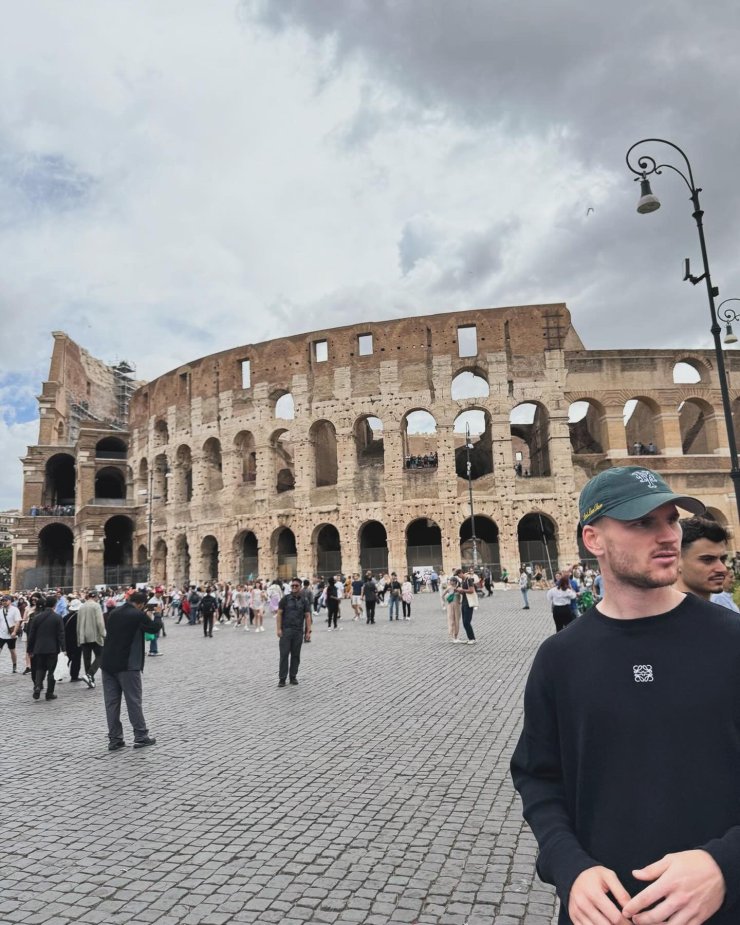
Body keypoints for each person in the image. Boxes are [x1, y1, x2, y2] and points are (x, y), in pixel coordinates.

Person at [510, 465, 740, 925]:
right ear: (593, 540)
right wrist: (570, 867)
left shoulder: (732, 640)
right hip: (605, 913)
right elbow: (539, 778)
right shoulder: (560, 658)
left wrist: (726, 866)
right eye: (641, 523)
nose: (667, 536)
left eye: (671, 519)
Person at [101, 590, 162, 751]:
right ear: (141, 604)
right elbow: (154, 629)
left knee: (111, 703)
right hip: (128, 664)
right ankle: (141, 736)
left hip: (107, 664)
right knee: (133, 701)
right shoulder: (137, 615)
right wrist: (157, 614)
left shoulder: (114, 613)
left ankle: (115, 739)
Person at [676, 515, 730, 601]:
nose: (722, 569)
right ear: (677, 560)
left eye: (723, 559)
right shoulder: (653, 611)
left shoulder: (723, 612)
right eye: (708, 560)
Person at [26, 595, 65, 701]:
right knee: (52, 671)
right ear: (55, 605)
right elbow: (61, 635)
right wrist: (64, 649)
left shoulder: (37, 617)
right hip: (52, 648)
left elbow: (32, 635)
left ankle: (37, 686)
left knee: (40, 668)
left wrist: (29, 649)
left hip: (39, 648)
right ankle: (49, 693)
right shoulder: (57, 617)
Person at [276, 578, 312, 686]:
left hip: (298, 631)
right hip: (286, 630)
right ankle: (282, 678)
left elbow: (307, 616)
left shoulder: (304, 600)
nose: (294, 587)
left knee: (296, 655)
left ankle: (293, 677)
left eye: (296, 586)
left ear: (300, 587)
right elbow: (279, 614)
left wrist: (308, 631)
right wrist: (278, 629)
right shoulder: (285, 599)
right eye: (293, 586)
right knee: (284, 655)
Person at [77, 591, 106, 688]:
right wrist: (104, 634)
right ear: (96, 597)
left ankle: (90, 679)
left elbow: (78, 623)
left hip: (83, 636)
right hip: (94, 635)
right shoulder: (96, 606)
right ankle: (90, 674)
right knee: (101, 655)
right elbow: (100, 622)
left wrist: (78, 637)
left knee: (86, 658)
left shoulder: (81, 607)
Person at [0, 594, 22, 673]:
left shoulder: (15, 610)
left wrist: (14, 632)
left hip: (11, 635)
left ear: (10, 601)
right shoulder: (0, 610)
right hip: (1, 635)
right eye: (2, 601)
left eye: (5, 600)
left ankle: (14, 665)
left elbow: (17, 622)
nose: (4, 602)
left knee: (12, 651)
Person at [459, 571, 477, 644]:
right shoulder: (463, 581)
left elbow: (471, 590)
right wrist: (460, 591)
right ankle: (470, 638)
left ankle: (472, 639)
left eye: (458, 575)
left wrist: (462, 590)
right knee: (464, 622)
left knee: (467, 622)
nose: (458, 577)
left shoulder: (469, 580)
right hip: (464, 602)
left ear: (461, 573)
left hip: (469, 603)